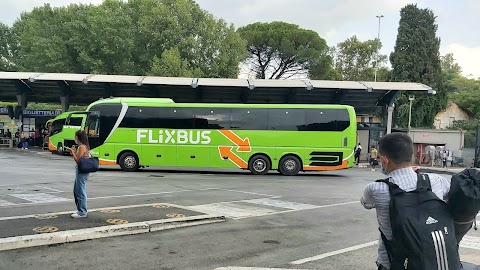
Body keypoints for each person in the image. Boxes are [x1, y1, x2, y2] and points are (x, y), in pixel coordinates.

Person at [360, 133, 452, 270]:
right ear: (411, 156)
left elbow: (365, 203)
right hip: (433, 261)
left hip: (393, 263)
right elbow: (450, 196)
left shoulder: (376, 189)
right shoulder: (435, 181)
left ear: (385, 160)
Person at [70, 130, 91, 218]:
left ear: (78, 137)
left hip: (82, 171)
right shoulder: (84, 146)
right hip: (82, 171)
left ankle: (82, 212)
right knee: (76, 190)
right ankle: (80, 210)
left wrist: (73, 152)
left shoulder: (82, 147)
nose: (74, 138)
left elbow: (78, 160)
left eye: (75, 136)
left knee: (80, 191)